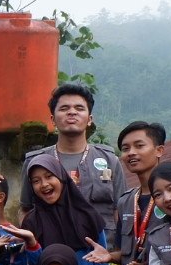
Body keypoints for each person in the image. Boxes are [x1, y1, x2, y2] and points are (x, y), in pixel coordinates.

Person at [21, 84, 123, 237]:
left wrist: (119, 252)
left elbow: (120, 210)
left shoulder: (110, 160)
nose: (72, 112)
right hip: (51, 253)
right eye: (64, 109)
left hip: (101, 251)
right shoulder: (34, 162)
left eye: (79, 108)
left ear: (89, 119)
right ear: (53, 120)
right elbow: (25, 209)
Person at [21, 153, 112, 265]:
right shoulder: (31, 222)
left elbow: (101, 259)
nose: (44, 184)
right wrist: (31, 244)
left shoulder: (87, 215)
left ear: (61, 177)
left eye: (49, 176)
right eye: (36, 181)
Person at [114, 121, 168, 265]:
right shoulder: (126, 201)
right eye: (125, 149)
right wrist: (109, 256)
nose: (131, 153)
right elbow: (123, 252)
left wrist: (154, 264)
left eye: (139, 146)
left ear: (159, 150)